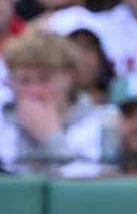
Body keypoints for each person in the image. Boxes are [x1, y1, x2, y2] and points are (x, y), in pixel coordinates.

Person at [0, 29, 105, 176]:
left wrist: (51, 136)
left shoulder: (98, 122)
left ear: (69, 77)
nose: (35, 91)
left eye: (44, 80)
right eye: (24, 81)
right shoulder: (3, 122)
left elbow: (85, 189)